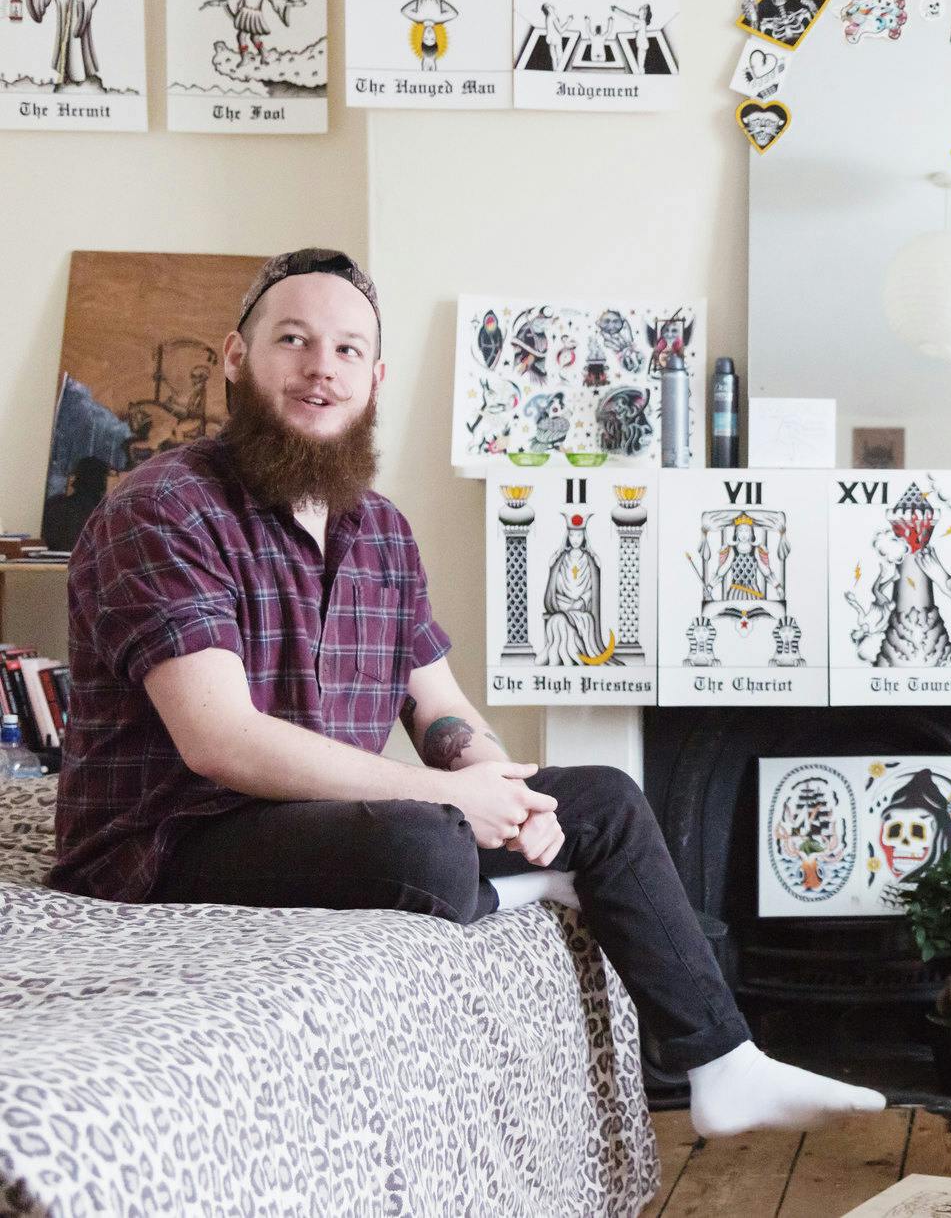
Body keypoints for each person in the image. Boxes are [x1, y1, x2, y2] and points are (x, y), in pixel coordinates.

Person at [51, 247, 885, 1138]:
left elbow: (440, 709)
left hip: (312, 821)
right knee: (426, 842)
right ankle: (533, 882)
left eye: (344, 350)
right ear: (235, 357)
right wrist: (453, 796)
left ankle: (724, 1061)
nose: (318, 367)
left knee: (601, 796)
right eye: (292, 340)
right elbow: (221, 740)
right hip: (172, 840)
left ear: (373, 379)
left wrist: (504, 788)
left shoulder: (379, 528)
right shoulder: (163, 507)